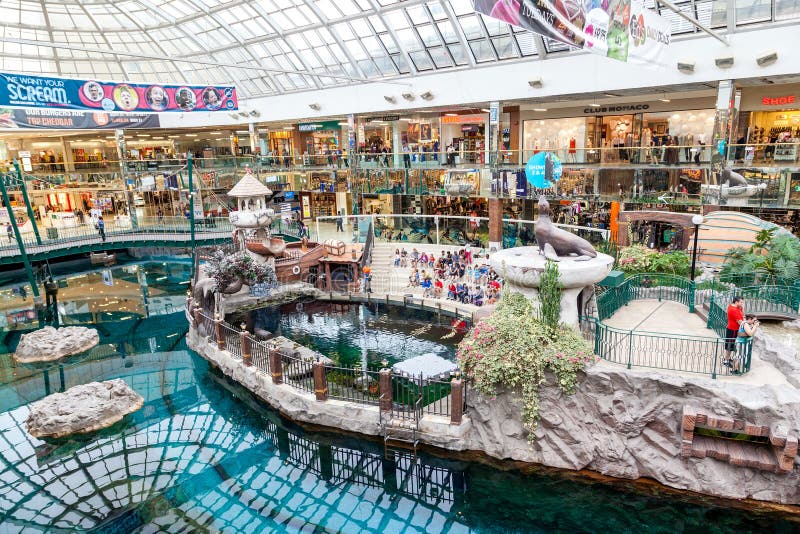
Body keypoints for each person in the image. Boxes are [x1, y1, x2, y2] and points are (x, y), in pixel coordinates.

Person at [724, 296, 745, 368]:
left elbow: (742, 315)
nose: (742, 304)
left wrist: (741, 307)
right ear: (736, 302)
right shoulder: (733, 310)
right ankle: (726, 360)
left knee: (731, 345)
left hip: (734, 329)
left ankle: (728, 359)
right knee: (729, 346)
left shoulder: (736, 307)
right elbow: (740, 322)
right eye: (741, 302)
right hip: (732, 330)